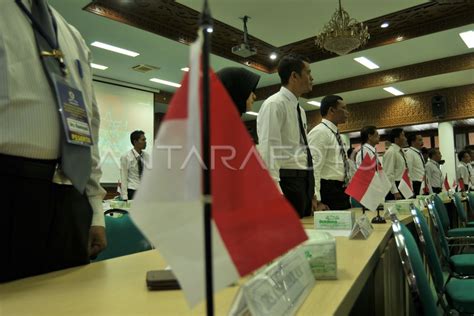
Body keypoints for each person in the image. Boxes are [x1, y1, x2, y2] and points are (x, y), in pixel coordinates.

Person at [0, 0, 106, 282]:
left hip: (71, 196)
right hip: (10, 188)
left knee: (70, 302)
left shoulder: (71, 34)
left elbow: (89, 122)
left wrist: (95, 210)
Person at [257, 54, 314, 218]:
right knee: (289, 238)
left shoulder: (300, 110)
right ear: (294, 76)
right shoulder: (274, 104)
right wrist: (274, 190)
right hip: (286, 182)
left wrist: (311, 190)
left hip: (303, 181)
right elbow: (269, 148)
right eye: (308, 73)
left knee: (306, 235)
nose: (312, 78)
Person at [308, 95, 350, 210]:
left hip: (340, 189)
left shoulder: (336, 134)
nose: (347, 112)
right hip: (327, 189)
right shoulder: (320, 132)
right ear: (331, 110)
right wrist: (317, 199)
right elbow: (314, 168)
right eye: (344, 108)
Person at [120, 130, 149, 200]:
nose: (145, 142)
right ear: (135, 142)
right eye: (143, 140)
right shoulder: (126, 156)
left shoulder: (147, 156)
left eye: (145, 140)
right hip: (132, 190)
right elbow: (123, 177)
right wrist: (124, 196)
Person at [383, 128, 408, 200]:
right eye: (403, 136)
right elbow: (388, 174)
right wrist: (395, 191)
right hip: (395, 186)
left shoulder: (401, 151)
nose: (405, 138)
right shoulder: (391, 152)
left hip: (403, 184)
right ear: (396, 139)